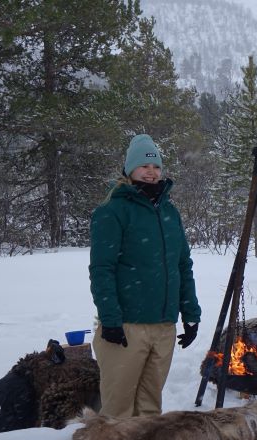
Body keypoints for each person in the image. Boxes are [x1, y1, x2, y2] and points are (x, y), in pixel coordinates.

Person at [89, 134, 201, 418]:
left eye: (156, 167)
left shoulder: (169, 212)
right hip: (127, 328)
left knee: (150, 409)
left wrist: (190, 313)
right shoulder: (112, 212)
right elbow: (102, 269)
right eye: (144, 166)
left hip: (163, 326)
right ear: (129, 169)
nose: (151, 172)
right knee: (117, 411)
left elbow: (182, 265)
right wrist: (111, 320)